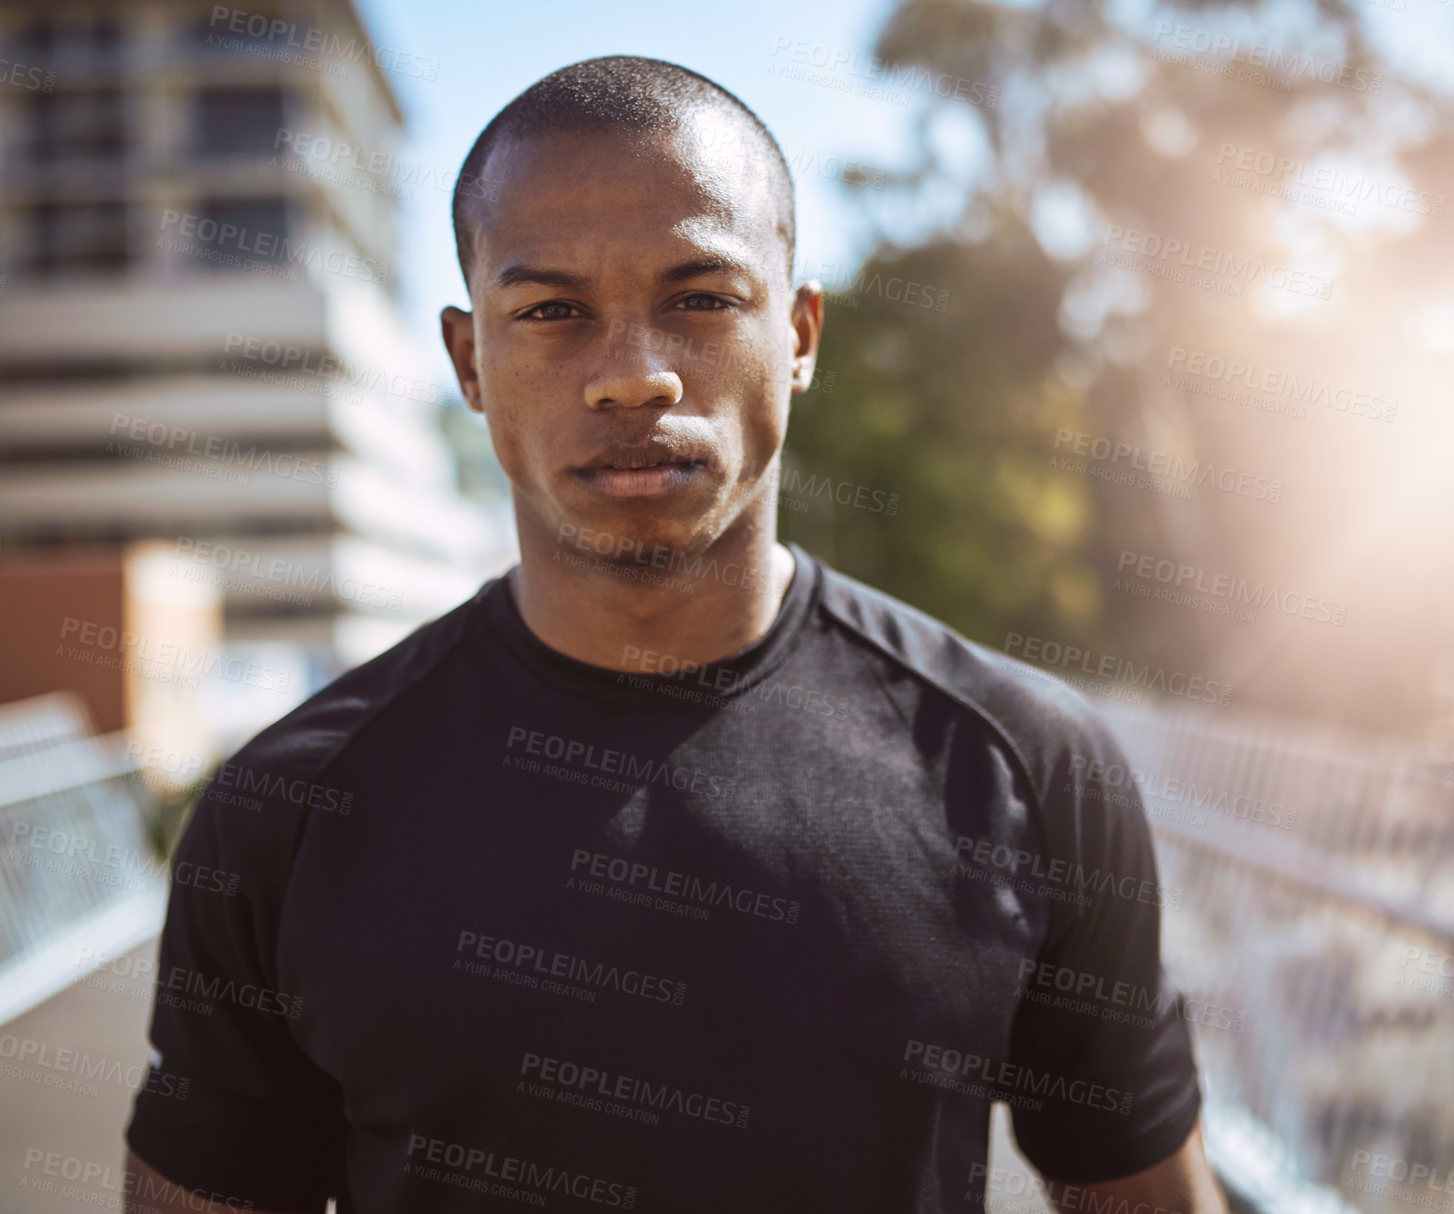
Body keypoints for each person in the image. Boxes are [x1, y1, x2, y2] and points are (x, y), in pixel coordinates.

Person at [123, 55, 1225, 1214]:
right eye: (551, 310)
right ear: (468, 362)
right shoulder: (287, 809)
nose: (634, 377)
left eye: (701, 298)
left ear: (798, 334)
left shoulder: (1026, 768)